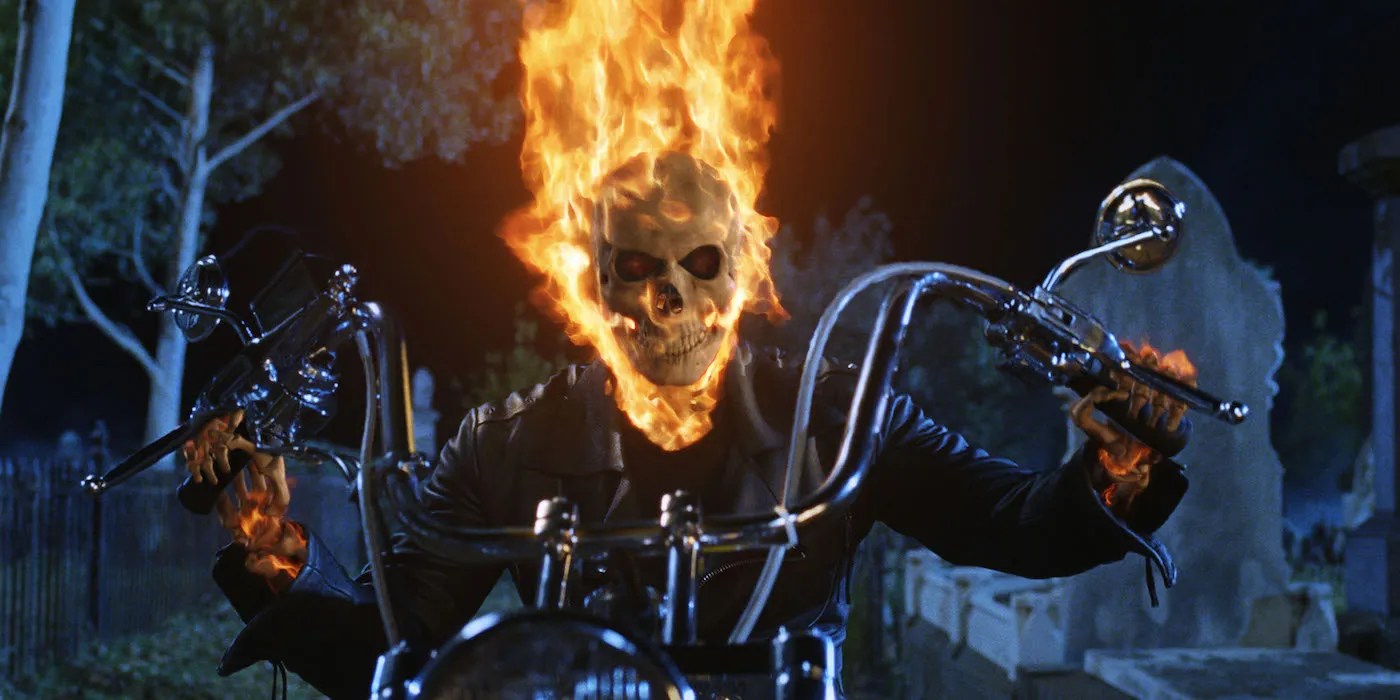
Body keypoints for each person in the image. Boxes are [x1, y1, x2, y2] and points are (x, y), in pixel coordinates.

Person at [185, 154, 1195, 699]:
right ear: (592, 289)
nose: (668, 296)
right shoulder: (504, 444)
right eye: (634, 267)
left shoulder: (837, 413)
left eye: (698, 263)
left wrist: (1117, 464)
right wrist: (278, 548)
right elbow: (389, 641)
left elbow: (1013, 522)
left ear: (741, 277)